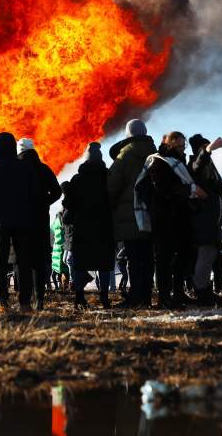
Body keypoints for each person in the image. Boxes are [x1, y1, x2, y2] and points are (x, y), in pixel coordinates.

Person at [136, 132, 205, 310]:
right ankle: (164, 297)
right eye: (179, 146)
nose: (182, 149)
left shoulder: (180, 162)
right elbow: (162, 187)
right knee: (164, 259)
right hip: (164, 218)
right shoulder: (159, 161)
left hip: (181, 216)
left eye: (184, 146)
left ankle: (179, 294)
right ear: (169, 144)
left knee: (183, 256)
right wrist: (190, 189)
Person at [0, 132, 36, 312]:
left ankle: (3, 302)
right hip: (23, 221)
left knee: (1, 262)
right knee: (24, 261)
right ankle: (25, 302)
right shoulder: (26, 168)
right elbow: (34, 195)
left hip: (0, 224)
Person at [107, 119, 157, 308]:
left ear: (128, 135)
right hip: (151, 215)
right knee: (147, 258)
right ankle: (146, 297)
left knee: (134, 259)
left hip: (130, 217)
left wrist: (112, 206)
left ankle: (136, 297)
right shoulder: (155, 154)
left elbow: (113, 187)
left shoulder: (125, 156)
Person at [66, 143, 115, 309]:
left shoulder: (77, 179)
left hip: (82, 229)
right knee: (104, 263)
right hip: (104, 227)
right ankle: (105, 298)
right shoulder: (108, 176)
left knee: (80, 263)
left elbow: (68, 203)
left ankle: (79, 298)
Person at [16, 137, 61, 310]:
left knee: (22, 260)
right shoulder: (43, 169)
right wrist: (45, 203)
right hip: (41, 221)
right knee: (38, 260)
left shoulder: (16, 170)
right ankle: (39, 300)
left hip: (20, 221)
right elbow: (57, 191)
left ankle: (24, 300)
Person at [187, 134, 222, 307]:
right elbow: (198, 163)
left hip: (211, 218)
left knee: (210, 254)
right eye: (205, 146)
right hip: (203, 218)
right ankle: (201, 290)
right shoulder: (195, 165)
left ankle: (203, 289)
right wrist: (208, 150)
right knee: (205, 253)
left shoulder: (209, 168)